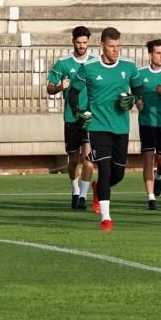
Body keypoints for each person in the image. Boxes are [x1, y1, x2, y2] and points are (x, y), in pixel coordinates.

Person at [68, 27, 140, 231]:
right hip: (98, 126)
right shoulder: (89, 68)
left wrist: (134, 100)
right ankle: (106, 218)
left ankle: (99, 187)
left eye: (118, 46)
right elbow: (73, 93)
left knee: (118, 174)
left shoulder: (128, 66)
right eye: (111, 46)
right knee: (105, 169)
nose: (115, 50)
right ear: (102, 46)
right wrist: (77, 111)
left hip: (121, 127)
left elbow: (138, 89)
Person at [46, 26, 94, 210]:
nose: (82, 46)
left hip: (91, 118)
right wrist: (59, 87)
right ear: (73, 42)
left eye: (85, 43)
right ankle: (75, 190)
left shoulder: (94, 63)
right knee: (74, 158)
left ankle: (82, 196)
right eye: (78, 42)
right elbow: (49, 88)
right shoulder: (63, 63)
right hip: (71, 117)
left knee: (88, 157)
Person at [134, 39, 161, 210]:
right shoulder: (140, 74)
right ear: (150, 54)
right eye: (158, 53)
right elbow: (134, 92)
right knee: (148, 159)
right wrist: (137, 101)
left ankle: (158, 176)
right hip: (146, 122)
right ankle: (150, 198)